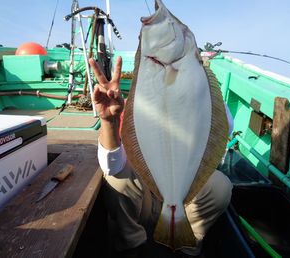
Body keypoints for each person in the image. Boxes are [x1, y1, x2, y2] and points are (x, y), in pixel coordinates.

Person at [89, 56, 233, 257]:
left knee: (220, 186)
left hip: (183, 197)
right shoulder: (132, 108)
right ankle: (131, 247)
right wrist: (109, 121)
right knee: (117, 181)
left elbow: (222, 132)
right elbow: (111, 167)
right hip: (145, 200)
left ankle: (186, 247)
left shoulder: (202, 106)